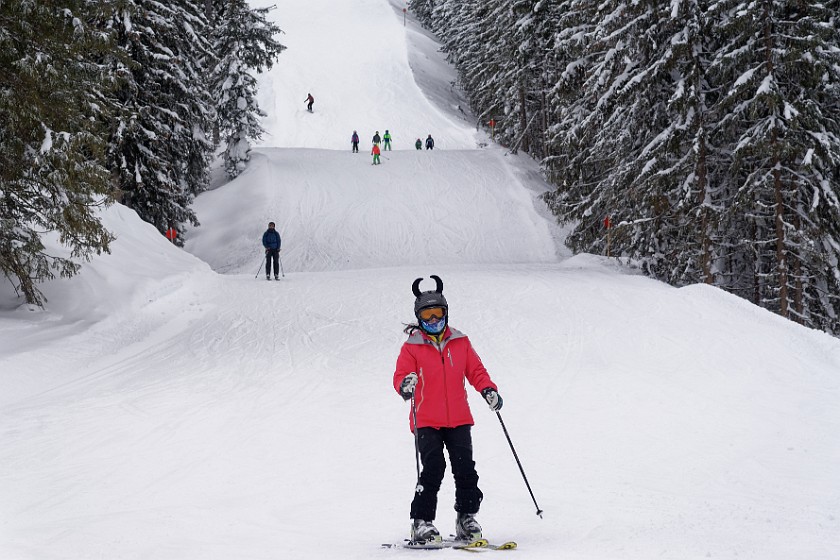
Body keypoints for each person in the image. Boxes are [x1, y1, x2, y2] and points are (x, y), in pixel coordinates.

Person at [393, 275, 503, 544]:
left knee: (465, 469)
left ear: (446, 313)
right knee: (433, 466)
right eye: (427, 315)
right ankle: (421, 522)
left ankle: (466, 517)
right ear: (419, 318)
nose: (433, 320)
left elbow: (476, 370)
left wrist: (488, 389)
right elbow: (401, 376)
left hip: (458, 418)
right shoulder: (412, 348)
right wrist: (406, 385)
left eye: (437, 313)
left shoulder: (460, 341)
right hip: (427, 420)